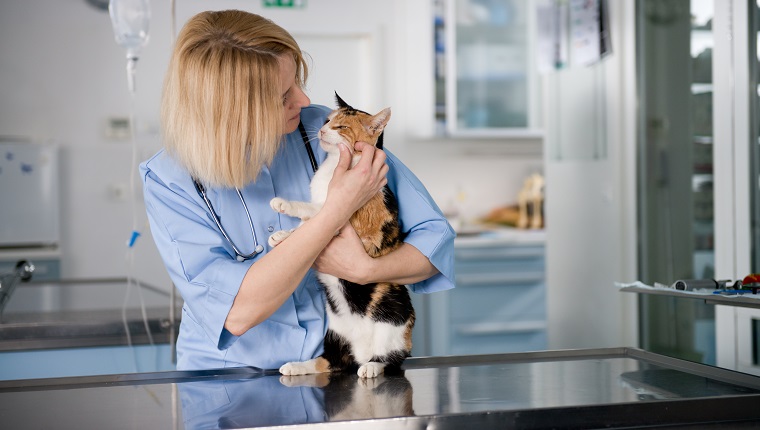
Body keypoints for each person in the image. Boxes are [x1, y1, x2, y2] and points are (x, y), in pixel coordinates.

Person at [140, 9, 455, 371]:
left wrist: (366, 269)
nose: (304, 101)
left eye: (298, 82)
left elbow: (435, 244)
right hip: (228, 381)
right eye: (283, 96)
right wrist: (336, 210)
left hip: (335, 369)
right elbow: (237, 313)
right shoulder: (168, 180)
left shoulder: (327, 131)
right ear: (234, 112)